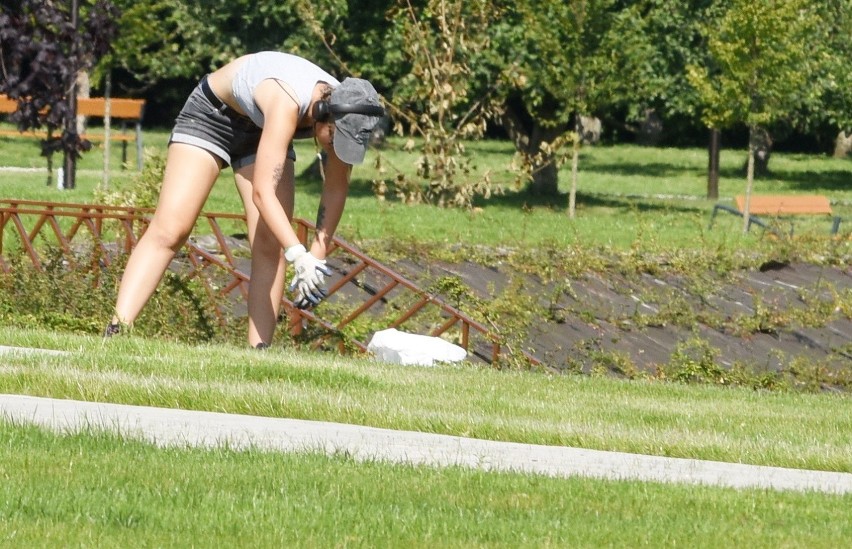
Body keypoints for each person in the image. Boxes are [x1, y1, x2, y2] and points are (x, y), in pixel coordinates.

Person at [104, 51, 385, 348]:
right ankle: (116, 334)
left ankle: (259, 353)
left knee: (269, 243)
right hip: (214, 115)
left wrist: (316, 255)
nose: (335, 147)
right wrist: (298, 254)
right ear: (324, 111)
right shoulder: (288, 100)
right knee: (172, 228)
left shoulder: (351, 112)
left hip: (263, 128)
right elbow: (262, 192)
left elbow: (336, 189)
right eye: (334, 138)